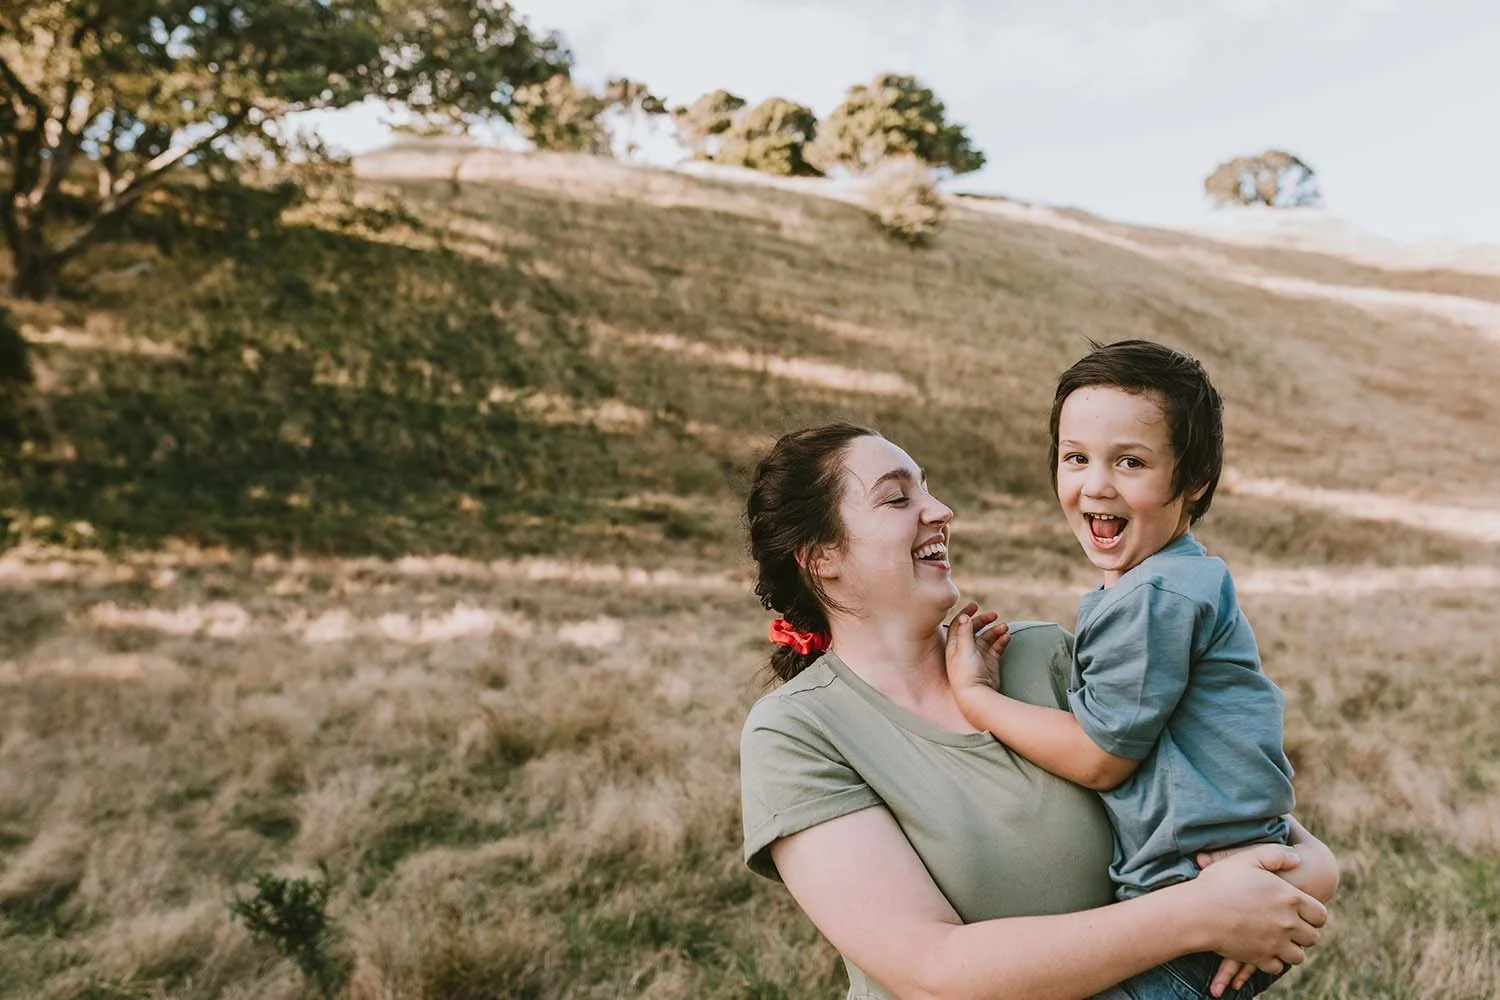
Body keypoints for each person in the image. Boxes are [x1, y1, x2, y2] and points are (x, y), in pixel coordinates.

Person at [740, 422, 1337, 1000]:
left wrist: (1309, 867)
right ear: (821, 558)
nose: (940, 509)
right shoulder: (797, 733)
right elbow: (932, 973)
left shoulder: (1041, 655)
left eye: (928, 486)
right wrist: (1198, 915)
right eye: (898, 498)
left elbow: (1238, 816)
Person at [944, 340, 1335, 999]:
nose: (1096, 483)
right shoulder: (1173, 579)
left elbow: (1102, 757)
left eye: (1131, 461)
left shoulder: (1155, 597)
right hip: (1217, 882)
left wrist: (976, 697)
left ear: (1194, 480)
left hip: (1197, 901)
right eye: (1076, 458)